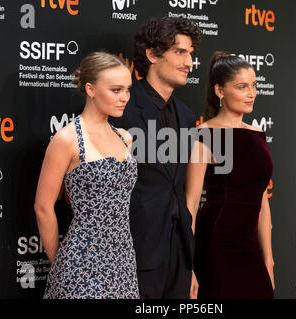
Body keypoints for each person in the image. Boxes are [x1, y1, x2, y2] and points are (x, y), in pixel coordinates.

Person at [108, 17, 201, 299]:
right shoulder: (122, 109)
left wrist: (190, 263)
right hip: (134, 250)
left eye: (191, 53)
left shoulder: (186, 116)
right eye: (179, 52)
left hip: (179, 251)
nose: (189, 62)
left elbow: (182, 188)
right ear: (152, 55)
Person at [34, 51, 139, 299]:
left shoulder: (125, 137)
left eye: (127, 89)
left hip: (123, 258)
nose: (124, 97)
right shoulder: (67, 139)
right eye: (116, 90)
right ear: (90, 90)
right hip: (80, 260)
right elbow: (43, 207)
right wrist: (60, 264)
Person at [185, 51, 275, 298]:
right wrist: (188, 266)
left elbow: (262, 201)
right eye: (242, 87)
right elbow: (191, 204)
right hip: (216, 243)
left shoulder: (257, 133)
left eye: (254, 86)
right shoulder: (204, 135)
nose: (251, 93)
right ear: (220, 91)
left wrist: (268, 259)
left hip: (251, 246)